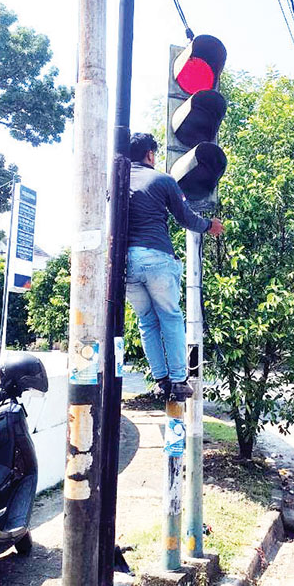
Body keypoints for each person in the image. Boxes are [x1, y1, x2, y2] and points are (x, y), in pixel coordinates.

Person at [125, 133, 224, 401]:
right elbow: (186, 218)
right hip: (157, 258)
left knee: (147, 321)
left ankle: (161, 380)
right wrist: (209, 226)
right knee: (169, 316)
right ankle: (179, 380)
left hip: (125, 265)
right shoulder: (161, 179)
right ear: (149, 154)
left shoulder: (117, 181)